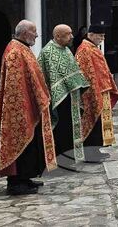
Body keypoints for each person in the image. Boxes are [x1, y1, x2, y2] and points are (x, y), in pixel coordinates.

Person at [0, 20, 57, 195]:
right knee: (21, 143)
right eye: (34, 32)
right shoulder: (15, 51)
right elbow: (15, 85)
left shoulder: (22, 49)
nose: (37, 35)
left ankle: (25, 177)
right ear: (25, 33)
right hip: (19, 108)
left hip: (29, 105)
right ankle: (16, 182)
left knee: (30, 145)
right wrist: (26, 104)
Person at [38, 24, 89, 163]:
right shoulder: (47, 52)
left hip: (71, 98)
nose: (72, 36)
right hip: (58, 100)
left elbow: (74, 72)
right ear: (58, 36)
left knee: (70, 130)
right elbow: (44, 79)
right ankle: (62, 161)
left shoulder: (66, 50)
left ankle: (71, 159)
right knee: (61, 132)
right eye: (68, 34)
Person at [75, 23, 118, 163]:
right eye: (100, 36)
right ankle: (90, 153)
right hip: (93, 91)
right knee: (93, 122)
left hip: (102, 90)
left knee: (100, 124)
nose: (102, 38)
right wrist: (93, 91)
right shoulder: (84, 49)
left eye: (103, 36)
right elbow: (86, 73)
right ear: (91, 34)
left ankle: (96, 149)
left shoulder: (92, 47)